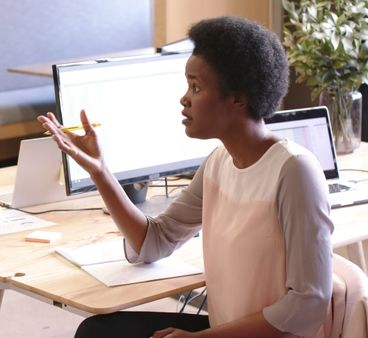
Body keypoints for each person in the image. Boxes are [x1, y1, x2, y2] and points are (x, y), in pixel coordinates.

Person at [38, 16, 334, 338]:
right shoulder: (219, 162)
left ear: (237, 98)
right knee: (97, 331)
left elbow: (307, 306)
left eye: (196, 86)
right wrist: (100, 171)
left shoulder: (294, 171)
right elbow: (154, 242)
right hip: (223, 329)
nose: (184, 99)